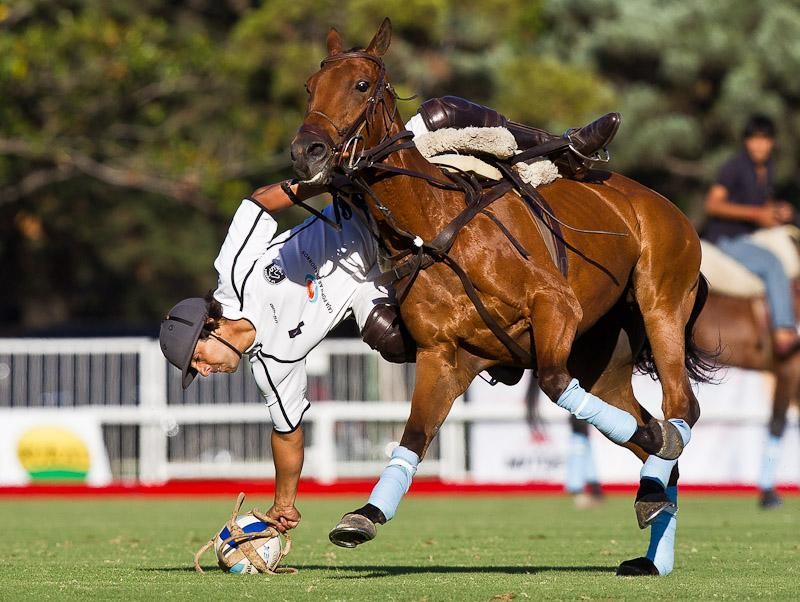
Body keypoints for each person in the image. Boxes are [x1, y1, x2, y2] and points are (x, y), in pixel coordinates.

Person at [158, 102, 619, 534]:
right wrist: (283, 502)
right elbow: (287, 434)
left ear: (209, 326)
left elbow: (257, 203)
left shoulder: (233, 274)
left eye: (197, 360)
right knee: (390, 337)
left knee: (438, 113)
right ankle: (492, 353)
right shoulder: (271, 367)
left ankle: (566, 145)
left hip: (358, 207)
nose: (204, 371)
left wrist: (322, 184)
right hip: (378, 278)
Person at [703, 114, 798, 356]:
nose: (759, 145)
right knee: (773, 264)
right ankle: (784, 331)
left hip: (749, 235)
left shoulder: (768, 169)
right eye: (754, 139)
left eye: (764, 140)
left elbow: (760, 206)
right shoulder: (733, 167)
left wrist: (778, 210)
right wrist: (757, 214)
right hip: (726, 237)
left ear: (772, 143)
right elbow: (713, 204)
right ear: (746, 142)